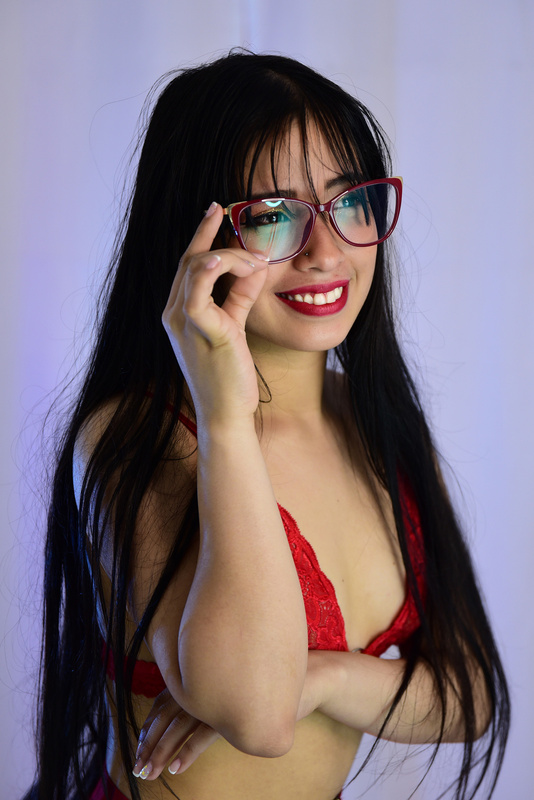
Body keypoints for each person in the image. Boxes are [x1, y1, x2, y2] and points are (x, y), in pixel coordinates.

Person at [24, 51, 510, 800]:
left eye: (351, 202)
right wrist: (226, 418)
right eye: (274, 216)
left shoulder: (383, 428)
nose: (327, 253)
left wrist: (322, 678)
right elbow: (258, 713)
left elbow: (469, 695)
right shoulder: (138, 441)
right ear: (194, 238)